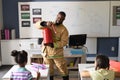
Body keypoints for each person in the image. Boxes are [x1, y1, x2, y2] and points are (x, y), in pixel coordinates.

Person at [35, 11, 69, 80]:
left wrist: (53, 44)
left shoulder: (64, 30)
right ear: (56, 16)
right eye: (58, 17)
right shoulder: (49, 24)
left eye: (61, 18)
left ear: (63, 20)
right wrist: (45, 23)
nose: (59, 19)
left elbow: (64, 42)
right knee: (49, 71)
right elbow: (37, 25)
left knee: (63, 70)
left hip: (57, 54)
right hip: (46, 53)